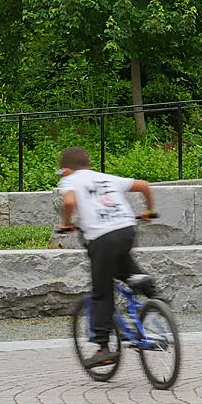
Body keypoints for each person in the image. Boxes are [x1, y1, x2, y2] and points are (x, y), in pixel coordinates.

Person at [53, 151, 157, 366]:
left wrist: (66, 223)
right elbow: (144, 185)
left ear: (67, 169)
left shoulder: (70, 180)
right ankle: (152, 294)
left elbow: (70, 201)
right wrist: (148, 210)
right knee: (121, 266)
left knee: (102, 292)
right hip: (127, 230)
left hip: (101, 237)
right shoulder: (106, 177)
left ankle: (103, 349)